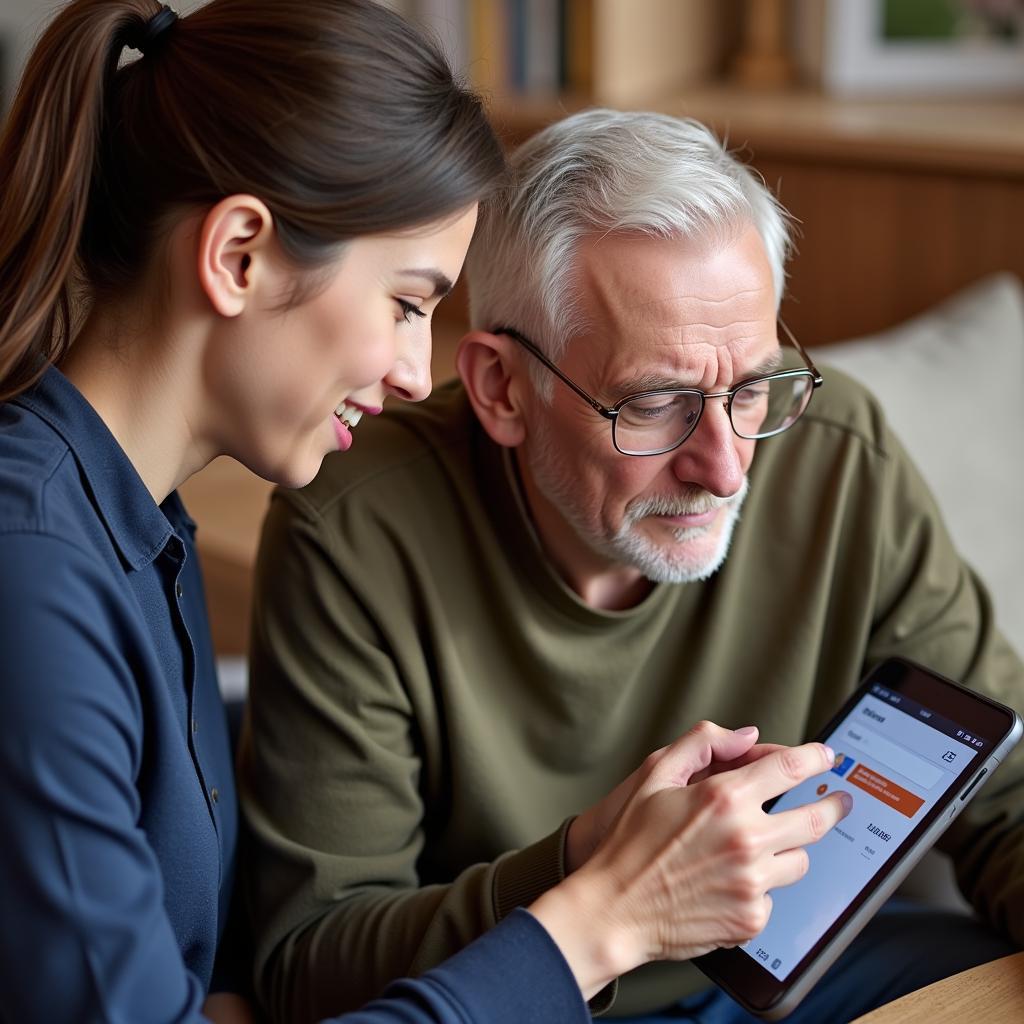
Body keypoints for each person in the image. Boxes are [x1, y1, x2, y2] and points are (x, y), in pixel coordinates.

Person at [0, 3, 853, 1022]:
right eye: (407, 303)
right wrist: (606, 919)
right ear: (238, 256)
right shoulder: (33, 572)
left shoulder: (134, 526)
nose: (417, 374)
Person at [242, 108, 1024, 1023]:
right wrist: (590, 869)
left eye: (753, 386)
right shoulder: (351, 530)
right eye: (656, 404)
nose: (727, 465)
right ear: (502, 387)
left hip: (789, 972)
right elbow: (310, 963)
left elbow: (1005, 795)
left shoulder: (839, 456)